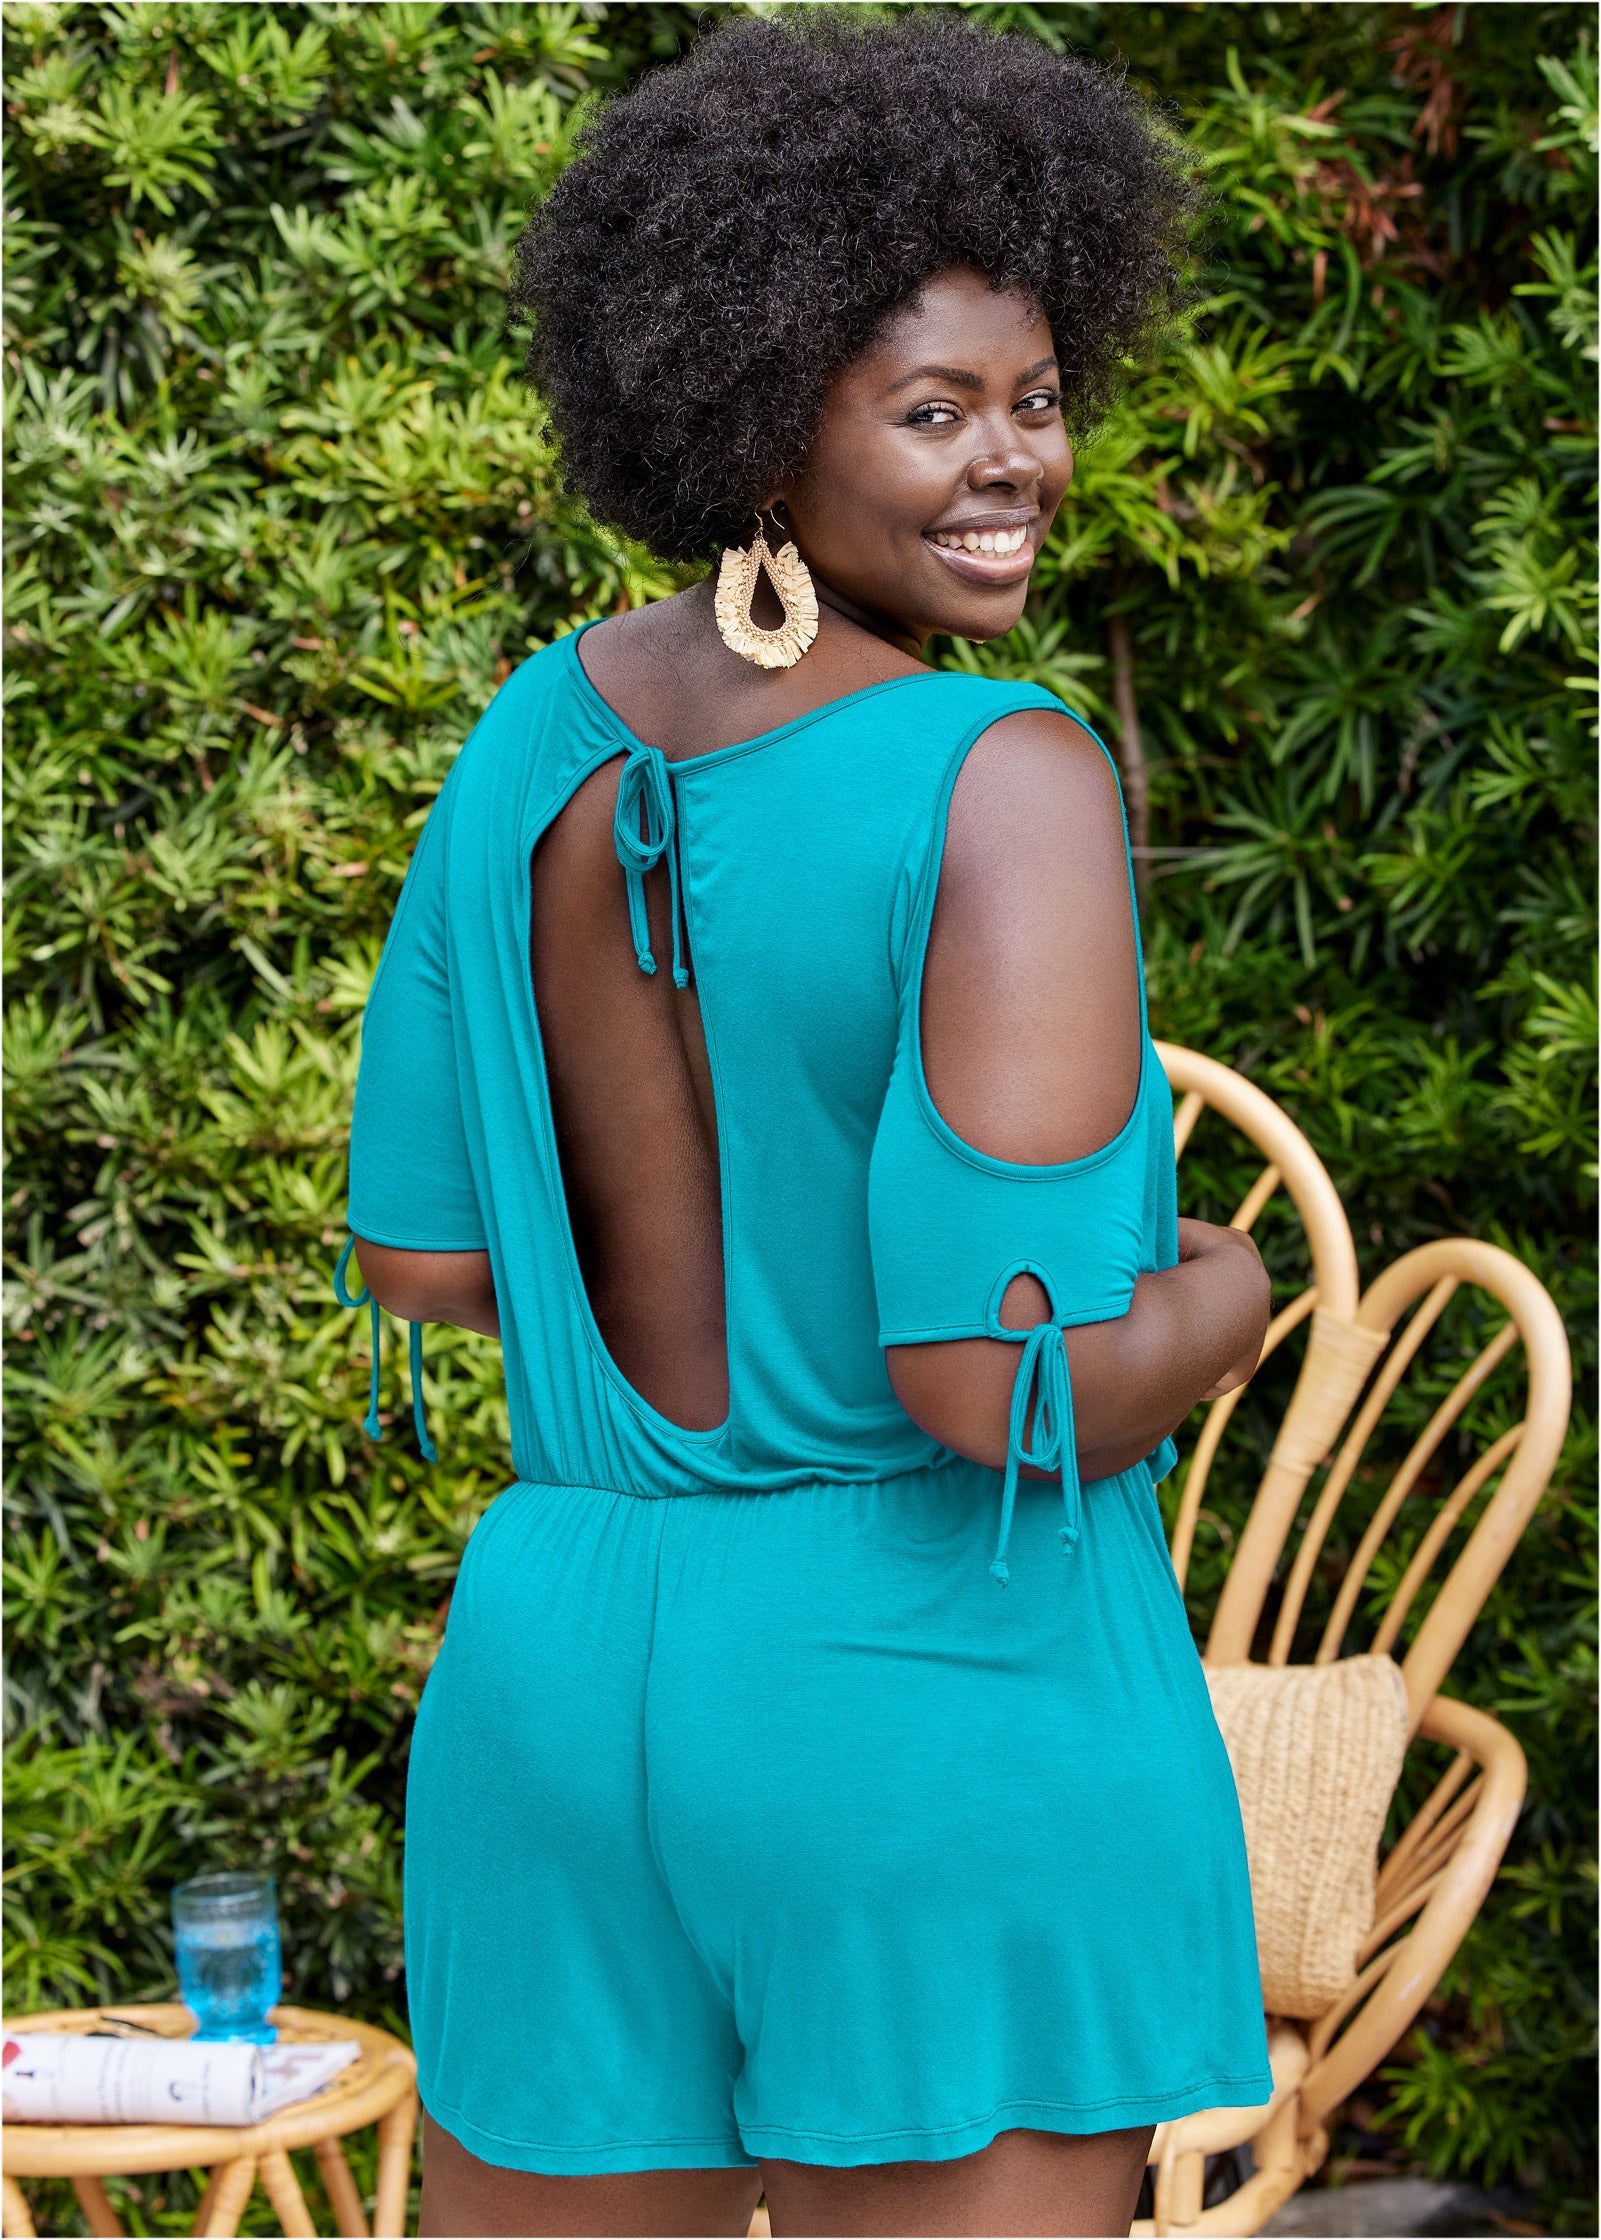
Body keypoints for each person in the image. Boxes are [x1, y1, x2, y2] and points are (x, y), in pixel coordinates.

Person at [341, 17, 1274, 2236]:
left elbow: (432, 1265)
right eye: (932, 410)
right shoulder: (1000, 776)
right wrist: (1225, 1295)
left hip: (554, 1690)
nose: (1013, 462)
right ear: (757, 416)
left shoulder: (526, 739)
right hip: (920, 1693)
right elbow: (997, 1382)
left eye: (1035, 397)